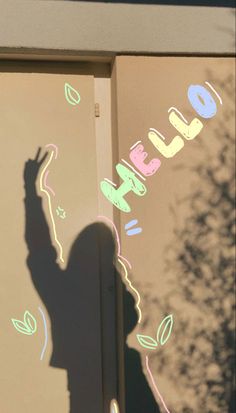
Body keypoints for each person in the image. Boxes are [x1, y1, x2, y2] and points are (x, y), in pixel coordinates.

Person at [24, 148, 160, 413]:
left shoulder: (73, 290)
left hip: (95, 370)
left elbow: (39, 250)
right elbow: (40, 248)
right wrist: (30, 192)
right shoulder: (68, 291)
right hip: (94, 369)